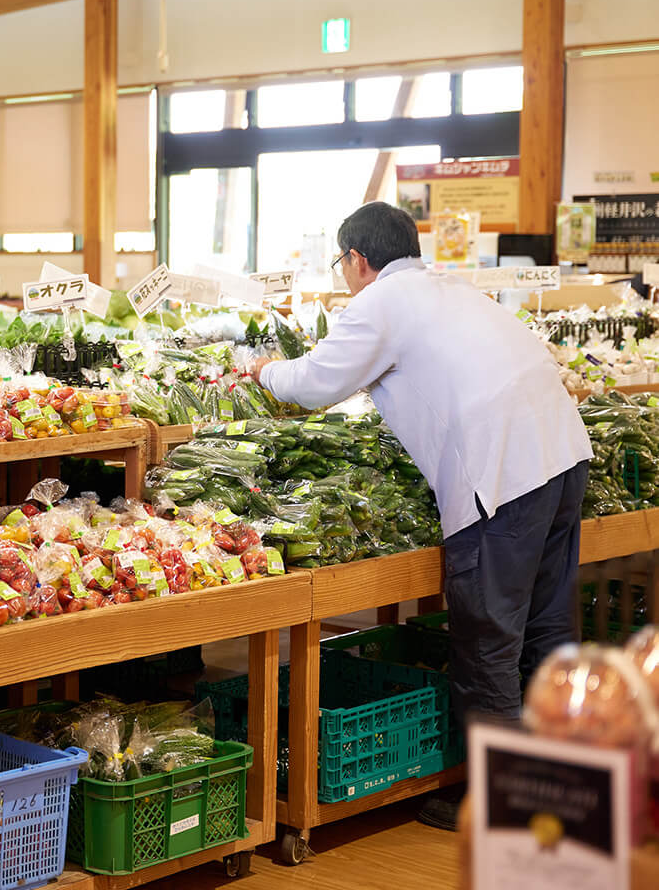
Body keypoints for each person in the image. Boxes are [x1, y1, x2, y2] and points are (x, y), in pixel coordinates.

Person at [251, 202, 591, 830]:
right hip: (563, 456)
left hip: (504, 475)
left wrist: (262, 370)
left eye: (342, 263)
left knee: (488, 640)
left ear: (357, 259)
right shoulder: (450, 289)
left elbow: (317, 383)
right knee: (546, 629)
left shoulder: (381, 302)